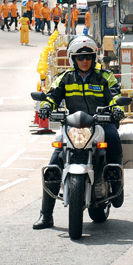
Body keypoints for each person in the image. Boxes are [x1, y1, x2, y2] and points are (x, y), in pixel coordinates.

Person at [33, 36, 124, 230]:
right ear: (73, 59)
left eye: (89, 57)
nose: (85, 61)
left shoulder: (105, 77)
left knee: (114, 137)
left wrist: (116, 108)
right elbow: (52, 96)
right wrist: (46, 107)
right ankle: (46, 215)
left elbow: (115, 95)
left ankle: (116, 180)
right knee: (53, 166)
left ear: (94, 58)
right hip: (73, 126)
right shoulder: (64, 78)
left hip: (100, 123)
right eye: (80, 57)